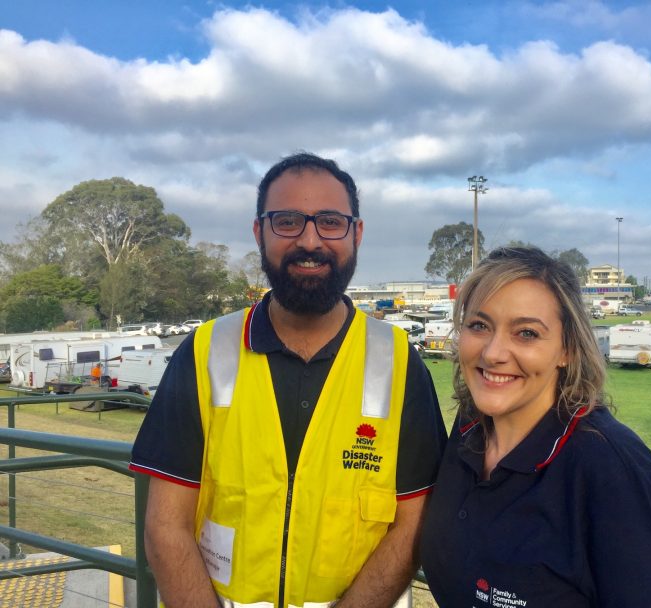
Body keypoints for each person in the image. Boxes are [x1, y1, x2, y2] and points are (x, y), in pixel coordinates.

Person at [130, 152, 447, 608]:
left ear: (356, 233)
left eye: (331, 222)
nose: (311, 240)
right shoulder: (204, 352)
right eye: (288, 221)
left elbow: (414, 521)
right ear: (259, 232)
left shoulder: (398, 361)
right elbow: (165, 524)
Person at [420, 246, 651, 607]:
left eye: (526, 334)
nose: (492, 353)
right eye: (479, 325)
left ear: (567, 349)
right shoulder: (470, 428)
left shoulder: (617, 476)